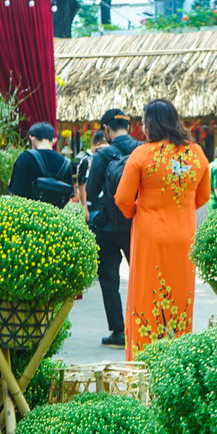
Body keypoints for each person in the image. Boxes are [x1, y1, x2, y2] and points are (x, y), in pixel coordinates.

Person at [113, 98, 209, 360]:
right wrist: (182, 206)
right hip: (183, 237)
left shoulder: (142, 154)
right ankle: (176, 363)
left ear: (150, 125)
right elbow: (203, 196)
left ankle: (144, 366)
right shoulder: (196, 153)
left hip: (150, 238)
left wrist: (138, 212)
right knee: (180, 298)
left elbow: (122, 199)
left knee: (146, 298)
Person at [88, 109, 139, 348]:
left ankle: (119, 332)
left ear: (106, 130)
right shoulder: (142, 150)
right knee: (141, 277)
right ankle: (143, 327)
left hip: (108, 228)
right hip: (137, 226)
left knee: (109, 280)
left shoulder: (103, 154)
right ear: (127, 127)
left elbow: (90, 191)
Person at [8, 121, 72, 204]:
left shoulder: (24, 158)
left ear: (32, 138)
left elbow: (16, 193)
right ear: (54, 140)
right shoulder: (65, 163)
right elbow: (68, 194)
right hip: (56, 215)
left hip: (29, 214)